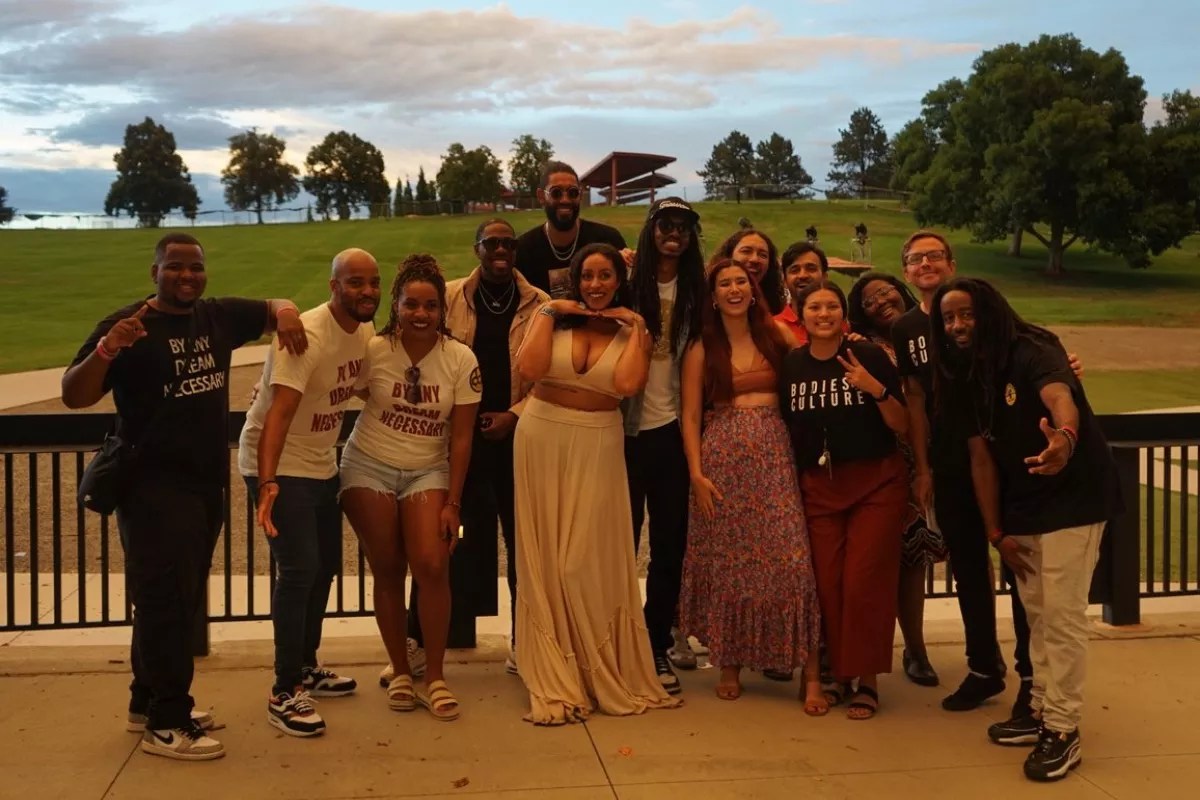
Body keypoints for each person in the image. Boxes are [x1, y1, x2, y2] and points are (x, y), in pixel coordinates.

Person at [62, 232, 308, 761]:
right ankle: (168, 722)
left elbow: (274, 307)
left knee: (175, 599)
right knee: (165, 603)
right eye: (175, 267)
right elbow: (74, 394)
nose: (187, 276)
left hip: (202, 484)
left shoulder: (216, 317)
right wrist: (109, 349)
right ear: (154, 271)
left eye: (195, 267)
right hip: (151, 486)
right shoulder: (128, 326)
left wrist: (286, 313)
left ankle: (145, 702)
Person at [931, 277, 1120, 782]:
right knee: (1037, 610)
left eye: (966, 313)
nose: (957, 325)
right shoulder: (964, 374)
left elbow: (1060, 396)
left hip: (1074, 497)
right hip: (1023, 501)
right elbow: (981, 460)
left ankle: (1063, 727)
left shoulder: (1031, 348)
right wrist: (995, 532)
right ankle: (1038, 708)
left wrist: (1064, 437)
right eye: (948, 318)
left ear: (989, 310)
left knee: (1060, 615)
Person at [512, 242, 681, 725]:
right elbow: (527, 371)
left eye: (605, 276)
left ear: (618, 280)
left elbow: (627, 385)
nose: (595, 285)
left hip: (598, 443)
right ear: (575, 279)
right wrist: (549, 308)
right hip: (541, 436)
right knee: (544, 560)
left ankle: (595, 666)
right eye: (587, 276)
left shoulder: (635, 330)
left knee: (577, 562)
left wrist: (638, 327)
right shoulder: (553, 317)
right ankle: (554, 668)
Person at [394, 219, 549, 681]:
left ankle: (526, 644)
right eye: (491, 243)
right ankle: (417, 642)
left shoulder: (540, 305)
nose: (500, 249)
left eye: (508, 243)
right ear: (477, 248)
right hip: (456, 441)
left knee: (524, 546)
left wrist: (515, 413)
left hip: (519, 439)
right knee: (440, 543)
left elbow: (550, 374)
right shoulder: (453, 297)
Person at [237, 248, 381, 737]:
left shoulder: (362, 332)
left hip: (321, 462)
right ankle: (283, 691)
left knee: (324, 570)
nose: (367, 291)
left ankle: (305, 666)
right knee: (298, 571)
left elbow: (360, 388)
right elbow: (278, 411)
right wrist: (268, 482)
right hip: (279, 463)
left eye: (373, 282)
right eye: (355, 282)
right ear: (333, 287)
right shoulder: (307, 335)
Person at [890, 230, 1034, 713]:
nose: (925, 264)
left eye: (934, 256)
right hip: (949, 456)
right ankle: (983, 668)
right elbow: (912, 397)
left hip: (1003, 452)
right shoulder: (907, 327)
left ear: (950, 263)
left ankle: (1033, 675)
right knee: (969, 566)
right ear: (906, 270)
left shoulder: (983, 310)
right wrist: (923, 466)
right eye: (915, 259)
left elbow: (1029, 354)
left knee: (1017, 565)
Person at [678, 259, 824, 712]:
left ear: (754, 289)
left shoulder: (776, 335)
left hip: (775, 458)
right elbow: (689, 415)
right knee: (730, 562)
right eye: (725, 283)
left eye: (742, 281)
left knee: (793, 562)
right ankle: (728, 663)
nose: (735, 289)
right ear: (714, 295)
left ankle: (811, 672)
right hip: (722, 460)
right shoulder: (703, 348)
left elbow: (815, 365)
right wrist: (697, 474)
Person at [340, 255, 480, 722]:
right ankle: (401, 670)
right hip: (369, 464)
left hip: (428, 471)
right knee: (387, 565)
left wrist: (454, 503)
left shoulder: (460, 359)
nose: (421, 314)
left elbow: (461, 438)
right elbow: (335, 386)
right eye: (410, 304)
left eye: (431, 306)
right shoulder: (374, 349)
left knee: (432, 564)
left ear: (443, 310)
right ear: (396, 305)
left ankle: (436, 675)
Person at [780, 279, 910, 720]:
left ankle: (868, 680)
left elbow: (902, 424)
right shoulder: (793, 365)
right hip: (820, 486)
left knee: (863, 581)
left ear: (843, 314)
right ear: (801, 314)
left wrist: (874, 387)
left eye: (831, 305)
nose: (823, 313)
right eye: (814, 307)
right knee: (829, 583)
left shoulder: (866, 355)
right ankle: (838, 673)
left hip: (876, 483)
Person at [847, 272, 948, 688]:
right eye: (869, 299)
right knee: (895, 559)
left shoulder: (933, 333)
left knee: (922, 556)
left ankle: (920, 648)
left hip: (947, 454)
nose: (880, 301)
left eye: (886, 291)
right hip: (894, 462)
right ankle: (898, 650)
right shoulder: (865, 348)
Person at [621, 197, 706, 693]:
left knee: (669, 547)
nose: (673, 233)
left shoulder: (698, 293)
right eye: (665, 225)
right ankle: (619, 641)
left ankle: (655, 643)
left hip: (674, 431)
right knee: (620, 543)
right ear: (651, 231)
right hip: (626, 433)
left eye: (682, 227)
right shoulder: (629, 286)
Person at [514, 161, 627, 299]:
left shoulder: (608, 240)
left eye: (573, 193)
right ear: (541, 197)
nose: (565, 200)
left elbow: (627, 292)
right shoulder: (523, 249)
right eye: (556, 193)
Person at [711, 228, 786, 315]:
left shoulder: (777, 308)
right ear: (729, 255)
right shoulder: (701, 302)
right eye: (746, 251)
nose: (755, 259)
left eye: (763, 255)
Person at [775, 241, 831, 344]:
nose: (803, 275)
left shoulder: (837, 324)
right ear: (784, 280)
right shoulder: (773, 328)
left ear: (824, 277)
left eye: (811, 268)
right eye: (795, 270)